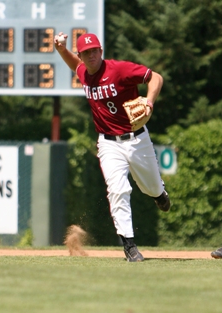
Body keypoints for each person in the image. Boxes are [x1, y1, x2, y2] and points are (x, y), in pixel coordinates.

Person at [54, 32, 170, 262]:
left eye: (94, 50)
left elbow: (155, 77)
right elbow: (74, 65)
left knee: (151, 187)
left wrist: (149, 101)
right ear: (81, 55)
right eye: (86, 53)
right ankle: (129, 246)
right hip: (108, 143)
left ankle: (159, 193)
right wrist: (60, 50)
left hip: (137, 140)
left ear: (101, 51)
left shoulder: (119, 70)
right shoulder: (84, 74)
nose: (91, 55)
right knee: (117, 190)